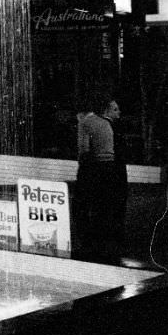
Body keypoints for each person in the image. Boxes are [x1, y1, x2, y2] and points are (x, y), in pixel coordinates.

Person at [74, 92, 127, 262]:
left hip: (94, 168)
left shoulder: (85, 123)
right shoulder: (107, 123)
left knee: (85, 205)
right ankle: (107, 244)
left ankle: (89, 244)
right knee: (105, 207)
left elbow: (84, 150)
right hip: (111, 169)